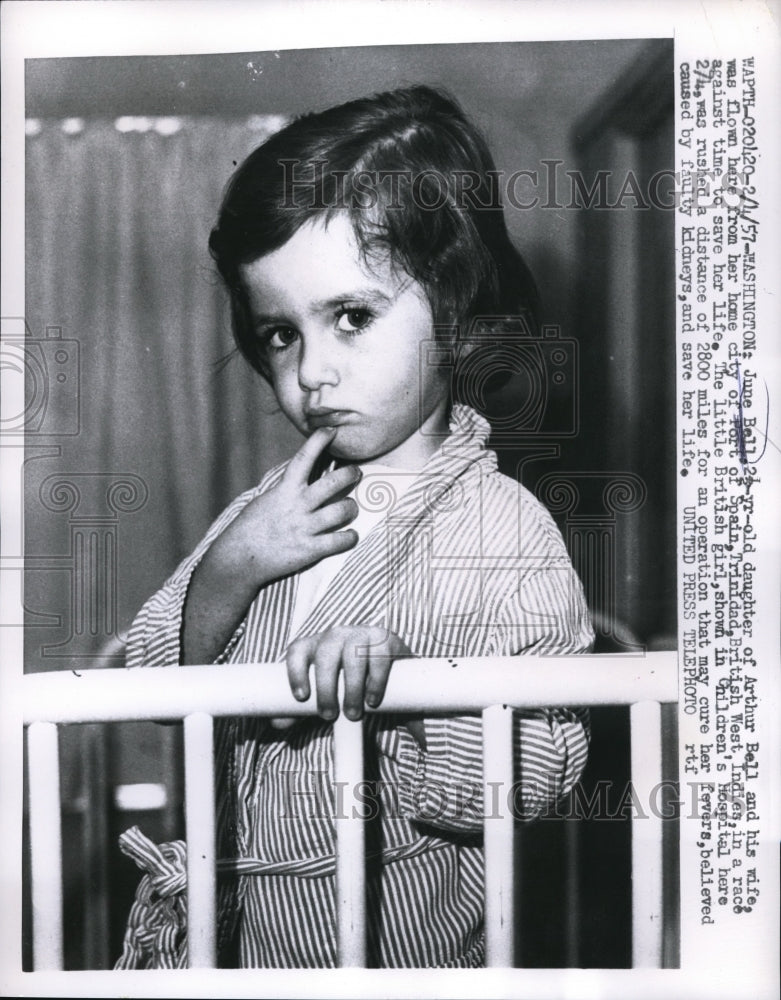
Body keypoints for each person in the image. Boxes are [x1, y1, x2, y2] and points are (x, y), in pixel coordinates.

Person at [116, 85, 594, 970]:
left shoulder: (506, 529)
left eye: (350, 317)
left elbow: (538, 771)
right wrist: (229, 568)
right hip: (240, 944)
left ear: (452, 307)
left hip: (400, 955)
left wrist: (410, 688)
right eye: (280, 335)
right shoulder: (267, 507)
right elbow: (144, 686)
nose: (311, 371)